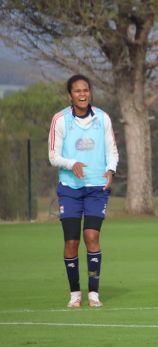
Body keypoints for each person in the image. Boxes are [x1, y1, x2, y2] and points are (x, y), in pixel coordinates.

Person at [48, 74, 119, 308]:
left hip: (96, 188)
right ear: (70, 95)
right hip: (70, 189)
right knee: (71, 241)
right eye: (77, 91)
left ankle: (94, 294)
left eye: (85, 90)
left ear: (90, 92)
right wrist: (72, 164)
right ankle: (75, 293)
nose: (82, 94)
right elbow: (53, 156)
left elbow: (112, 150)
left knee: (92, 236)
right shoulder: (60, 120)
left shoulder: (103, 118)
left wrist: (111, 169)